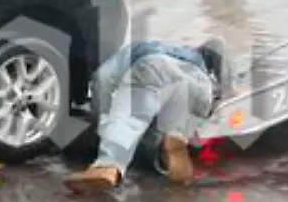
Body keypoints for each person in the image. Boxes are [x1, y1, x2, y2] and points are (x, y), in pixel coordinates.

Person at [65, 38, 226, 192]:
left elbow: (103, 79)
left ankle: (108, 166)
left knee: (128, 118)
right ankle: (173, 141)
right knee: (170, 129)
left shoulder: (141, 46)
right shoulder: (201, 63)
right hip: (201, 85)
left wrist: (103, 124)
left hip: (156, 67)